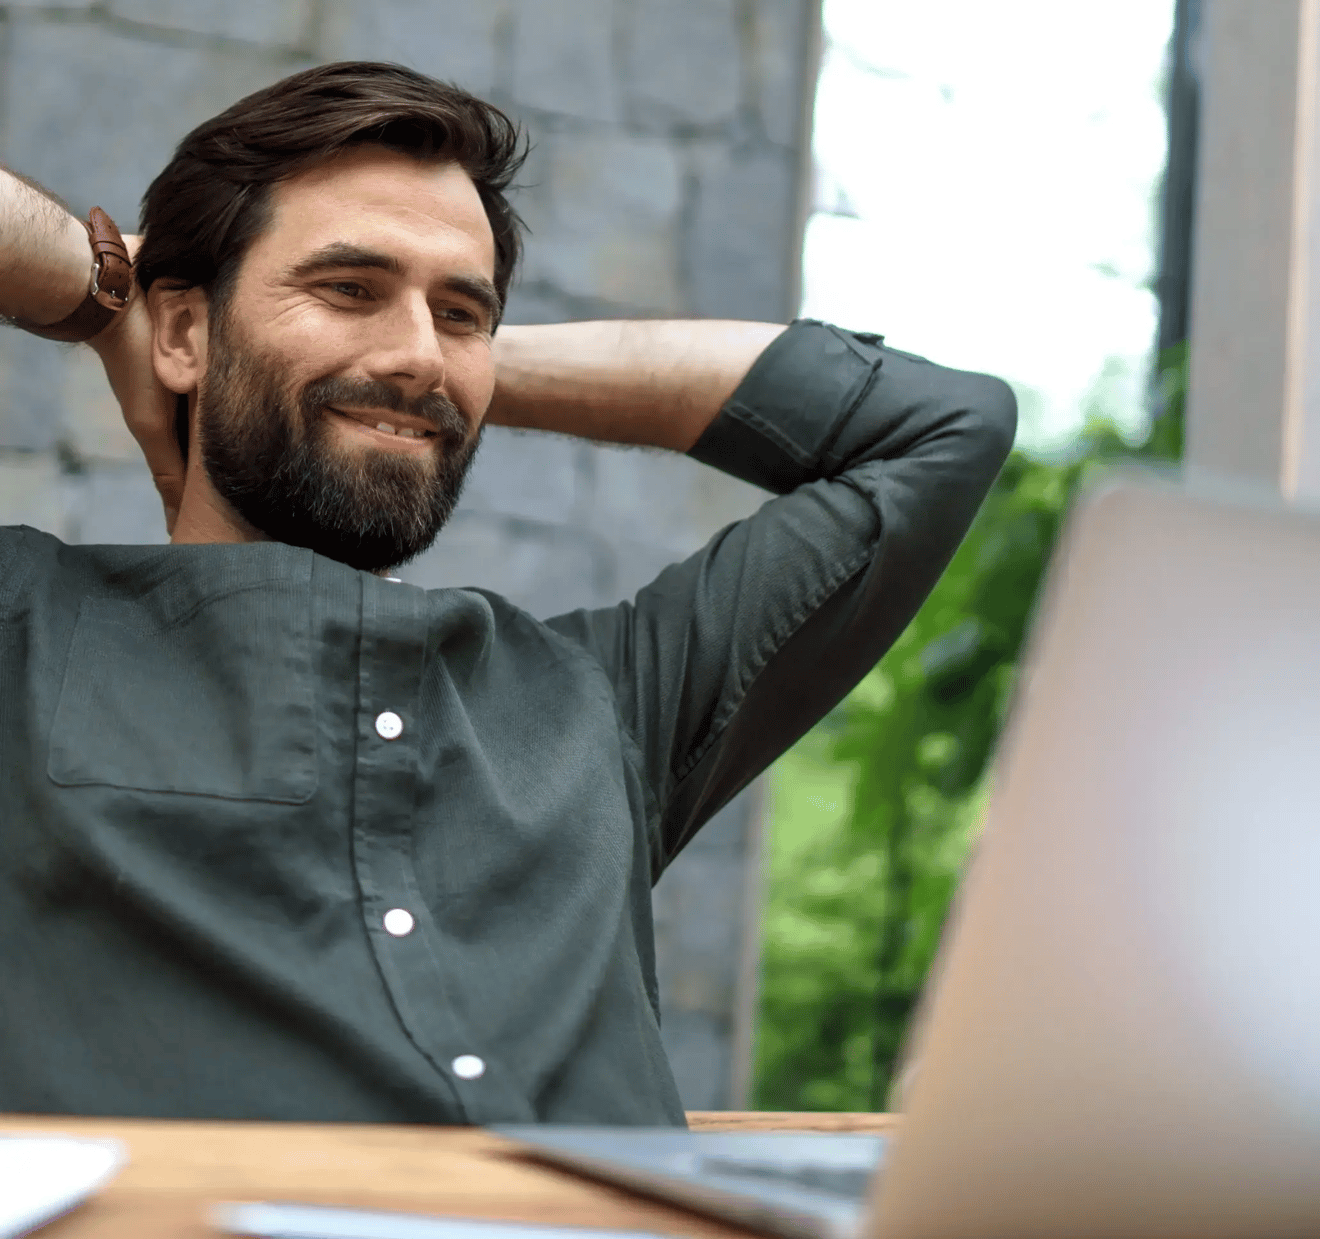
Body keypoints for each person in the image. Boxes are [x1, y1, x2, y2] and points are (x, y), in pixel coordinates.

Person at [0, 61, 1016, 1125]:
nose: (415, 352)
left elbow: (940, 428)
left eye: (460, 310)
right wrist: (103, 291)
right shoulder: (28, 628)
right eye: (347, 289)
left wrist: (445, 369)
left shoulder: (609, 699)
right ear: (184, 333)